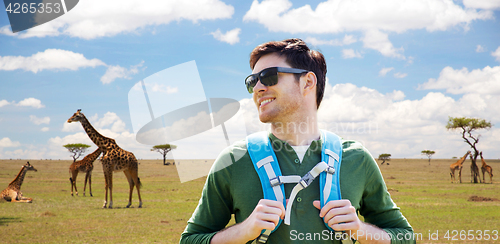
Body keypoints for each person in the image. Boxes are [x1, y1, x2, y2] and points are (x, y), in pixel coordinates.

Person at [180, 38, 414, 244]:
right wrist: (242, 232)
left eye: (269, 76)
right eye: (252, 81)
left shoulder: (357, 158)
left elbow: (405, 236)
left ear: (308, 83)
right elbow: (190, 240)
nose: (258, 88)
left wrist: (361, 230)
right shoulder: (233, 160)